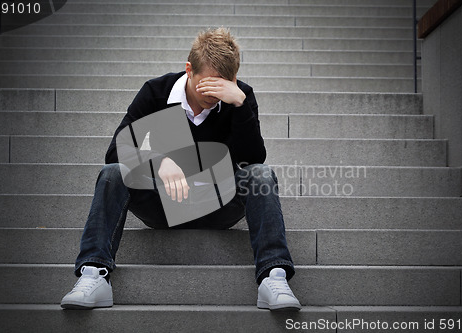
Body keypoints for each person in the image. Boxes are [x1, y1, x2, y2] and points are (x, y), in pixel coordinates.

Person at [60, 27, 301, 311]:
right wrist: (158, 161)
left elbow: (253, 159)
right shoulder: (157, 92)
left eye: (224, 84)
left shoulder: (240, 97)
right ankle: (94, 273)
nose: (214, 93)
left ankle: (274, 276)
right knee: (113, 173)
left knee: (261, 174)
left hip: (217, 206)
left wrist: (239, 105)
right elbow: (115, 150)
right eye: (208, 84)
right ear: (189, 69)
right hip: (164, 205)